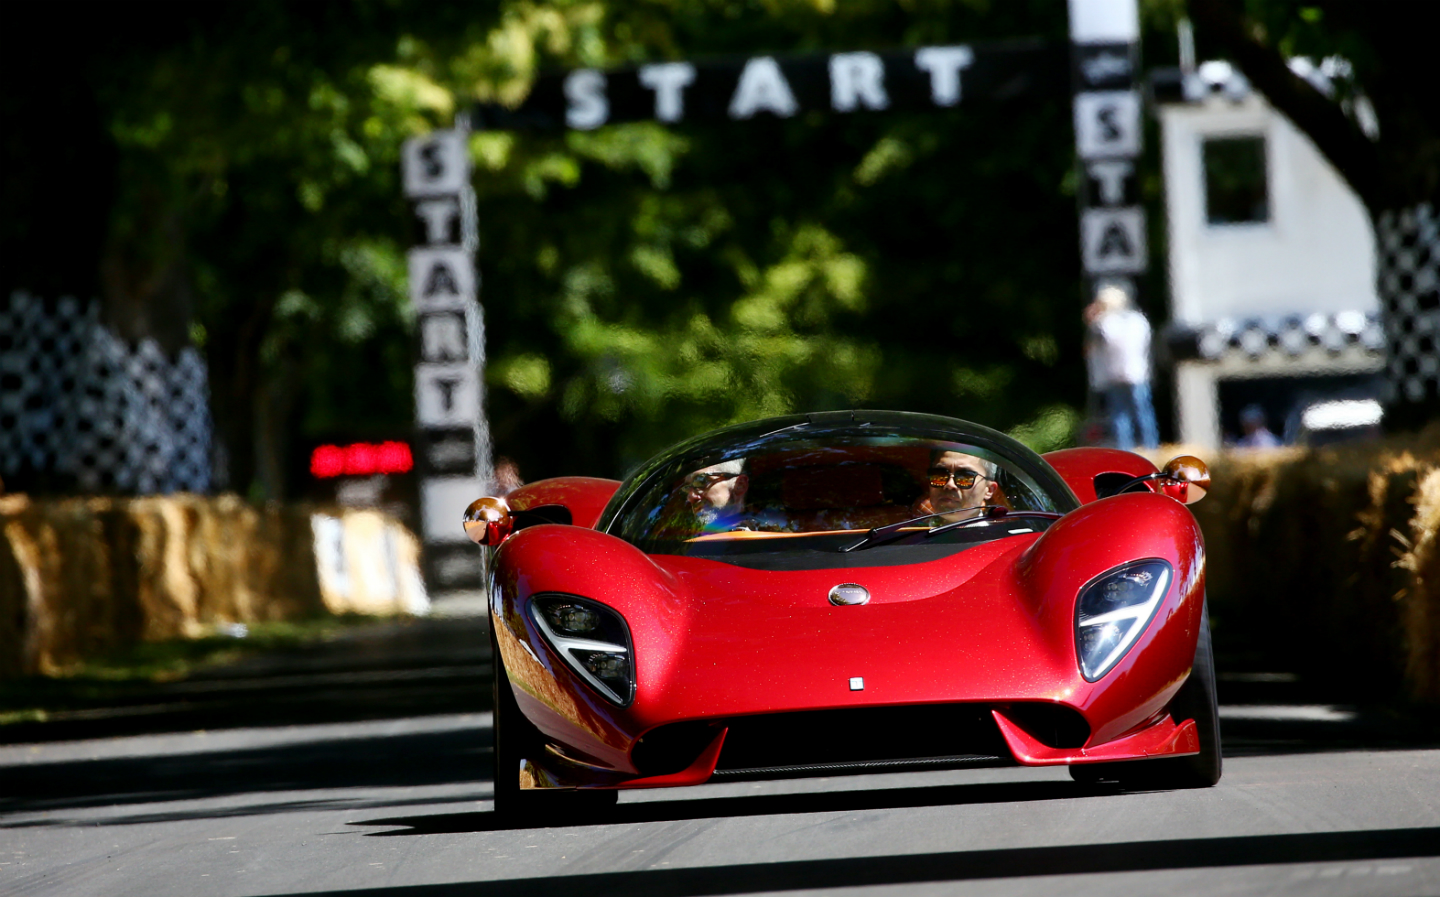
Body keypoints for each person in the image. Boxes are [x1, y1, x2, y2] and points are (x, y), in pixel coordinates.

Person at [1085, 284, 1159, 450]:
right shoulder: (1136, 320)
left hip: (1124, 373)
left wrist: (1093, 321)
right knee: (1133, 413)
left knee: (1129, 413)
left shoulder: (1108, 323)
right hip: (1129, 373)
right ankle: (1144, 447)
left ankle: (1140, 447)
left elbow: (1094, 346)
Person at [913, 449, 998, 522]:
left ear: (989, 490)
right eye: (940, 475)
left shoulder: (999, 538)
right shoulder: (908, 534)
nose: (950, 484)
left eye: (965, 477)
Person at [683, 459, 750, 530]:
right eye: (687, 488)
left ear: (740, 485)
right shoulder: (689, 539)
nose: (690, 497)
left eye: (701, 481)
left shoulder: (758, 537)